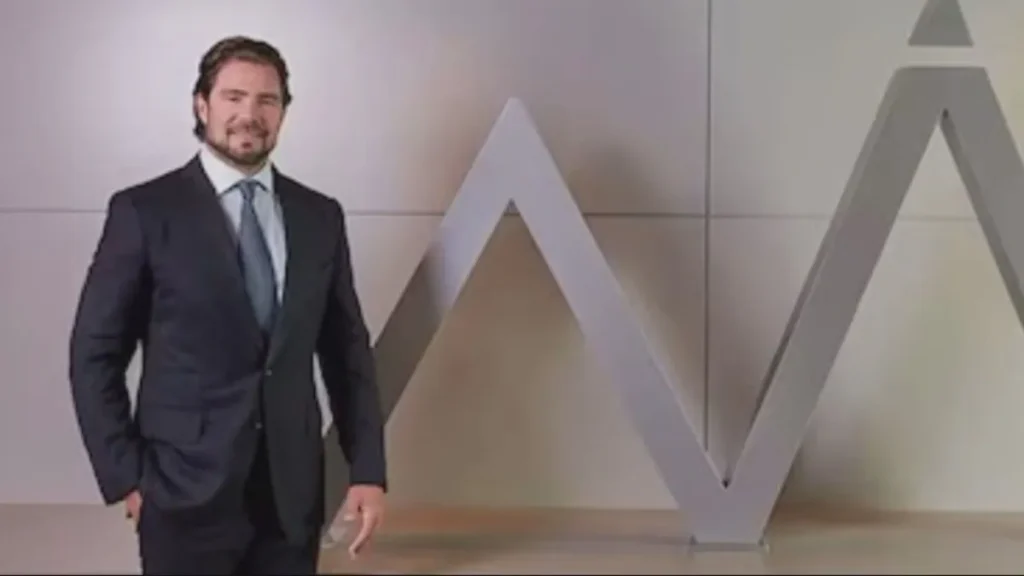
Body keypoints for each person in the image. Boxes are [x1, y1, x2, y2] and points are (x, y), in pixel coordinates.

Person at [68, 35, 387, 574]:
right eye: (233, 97)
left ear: (283, 112)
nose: (250, 114)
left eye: (267, 100)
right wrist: (127, 477)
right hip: (179, 495)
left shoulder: (320, 217)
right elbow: (93, 355)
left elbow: (348, 355)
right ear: (202, 105)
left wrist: (368, 471)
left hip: (291, 500)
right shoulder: (144, 211)